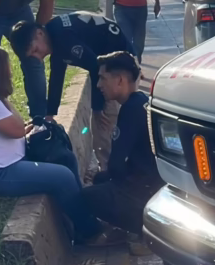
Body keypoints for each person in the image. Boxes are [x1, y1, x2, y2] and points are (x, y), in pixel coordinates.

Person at [0, 45, 120, 246]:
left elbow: (15, 126)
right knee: (62, 177)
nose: (11, 73)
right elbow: (17, 129)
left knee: (64, 158)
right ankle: (90, 233)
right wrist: (4, 98)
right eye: (7, 69)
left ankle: (83, 219)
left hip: (4, 165)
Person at [8, 12, 133, 173]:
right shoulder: (55, 33)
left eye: (35, 50)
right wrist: (50, 113)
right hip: (119, 61)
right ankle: (114, 167)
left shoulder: (63, 38)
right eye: (33, 57)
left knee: (104, 124)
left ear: (39, 33)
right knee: (111, 121)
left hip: (119, 66)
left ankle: (111, 172)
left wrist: (97, 107)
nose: (38, 58)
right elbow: (57, 76)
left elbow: (96, 67)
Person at [81, 52, 163, 255]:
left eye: (102, 78)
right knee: (102, 182)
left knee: (86, 195)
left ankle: (141, 229)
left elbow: (116, 166)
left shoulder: (130, 110)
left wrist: (102, 177)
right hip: (155, 185)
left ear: (119, 80)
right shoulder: (141, 101)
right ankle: (129, 226)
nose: (99, 84)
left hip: (144, 192)